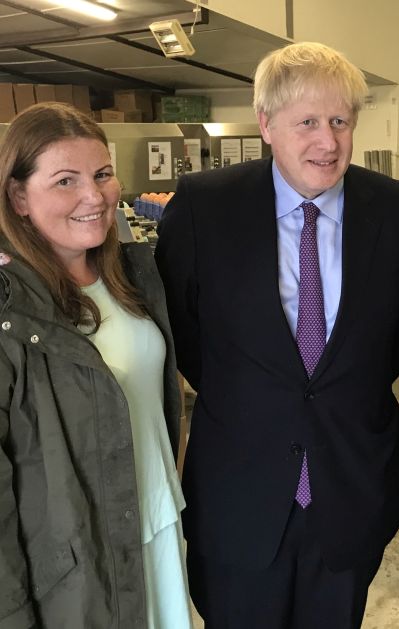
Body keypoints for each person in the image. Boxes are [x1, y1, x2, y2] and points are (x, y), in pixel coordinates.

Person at [155, 42, 399, 628]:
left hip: (350, 490)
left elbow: (398, 335)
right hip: (240, 494)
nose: (327, 142)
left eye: (339, 121)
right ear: (266, 124)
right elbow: (188, 335)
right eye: (307, 122)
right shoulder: (205, 208)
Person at [0, 103, 192, 628]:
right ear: (18, 196)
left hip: (155, 523)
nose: (94, 196)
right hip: (77, 565)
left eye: (102, 174)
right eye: (65, 180)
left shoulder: (134, 275)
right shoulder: (11, 310)